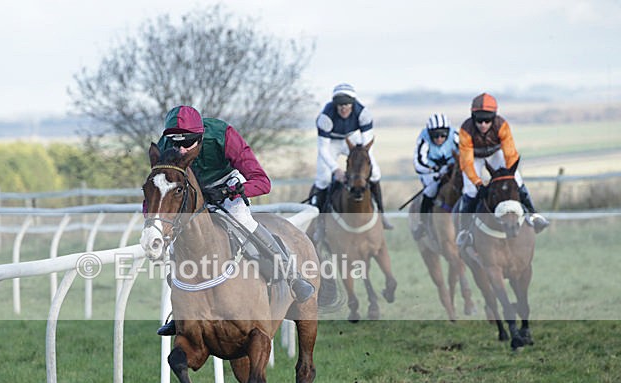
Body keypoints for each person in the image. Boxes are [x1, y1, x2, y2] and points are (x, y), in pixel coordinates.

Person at [154, 105, 315, 336]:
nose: (180, 150)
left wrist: (235, 191)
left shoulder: (224, 136)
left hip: (227, 187)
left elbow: (262, 182)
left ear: (200, 137)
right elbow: (156, 188)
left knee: (244, 220)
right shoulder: (165, 146)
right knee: (179, 243)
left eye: (186, 143)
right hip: (189, 193)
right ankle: (180, 313)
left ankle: (293, 277)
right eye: (175, 143)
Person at [456, 93, 549, 248]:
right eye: (479, 120)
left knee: (517, 180)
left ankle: (534, 216)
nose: (483, 124)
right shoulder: (466, 130)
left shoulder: (502, 125)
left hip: (495, 154)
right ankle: (465, 232)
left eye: (488, 120)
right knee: (470, 190)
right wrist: (478, 183)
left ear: (494, 117)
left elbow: (510, 154)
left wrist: (509, 174)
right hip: (475, 158)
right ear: (473, 117)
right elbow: (466, 162)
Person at [308, 83, 393, 237]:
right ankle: (319, 223)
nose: (343, 108)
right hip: (331, 143)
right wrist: (336, 169)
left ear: (353, 104)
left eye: (347, 104)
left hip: (353, 139)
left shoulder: (364, 114)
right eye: (339, 104)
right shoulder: (325, 118)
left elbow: (367, 146)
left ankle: (381, 213)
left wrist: (364, 169)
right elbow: (323, 149)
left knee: (375, 174)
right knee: (323, 178)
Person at [412, 113, 459, 240]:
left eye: (443, 135)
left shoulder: (455, 136)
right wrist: (434, 169)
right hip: (431, 172)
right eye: (435, 135)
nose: (439, 138)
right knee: (430, 191)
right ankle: (423, 224)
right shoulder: (423, 139)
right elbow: (419, 163)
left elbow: (465, 152)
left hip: (453, 167)